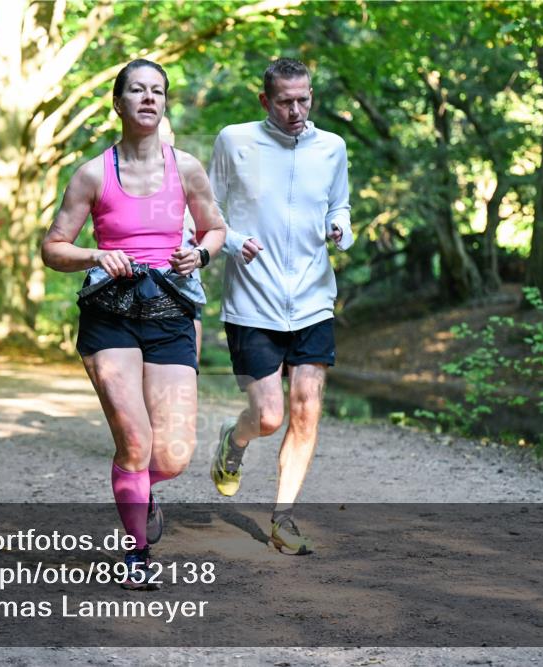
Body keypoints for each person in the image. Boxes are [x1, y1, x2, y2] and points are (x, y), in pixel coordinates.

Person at [41, 59, 225, 589]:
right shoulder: (93, 173)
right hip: (110, 314)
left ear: (164, 104)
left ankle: (140, 490)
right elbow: (53, 248)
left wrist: (202, 256)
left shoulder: (186, 167)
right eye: (137, 91)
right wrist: (96, 256)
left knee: (173, 455)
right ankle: (137, 553)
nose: (148, 98)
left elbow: (214, 228)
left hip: (169, 311)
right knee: (135, 441)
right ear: (118, 103)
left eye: (158, 91)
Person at [208, 58, 353, 555]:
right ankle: (236, 438)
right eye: (286, 101)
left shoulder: (332, 147)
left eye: (304, 99)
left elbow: (340, 206)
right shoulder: (234, 141)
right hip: (252, 301)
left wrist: (341, 228)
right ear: (265, 100)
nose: (297, 110)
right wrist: (232, 242)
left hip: (313, 298)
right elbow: (206, 213)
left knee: (306, 410)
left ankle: (283, 518)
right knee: (269, 416)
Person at [158, 117, 203, 360]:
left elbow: (209, 219)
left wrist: (200, 232)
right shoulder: (123, 167)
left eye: (165, 132)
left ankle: (190, 369)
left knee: (191, 313)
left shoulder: (186, 168)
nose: (160, 136)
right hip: (143, 270)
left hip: (183, 264)